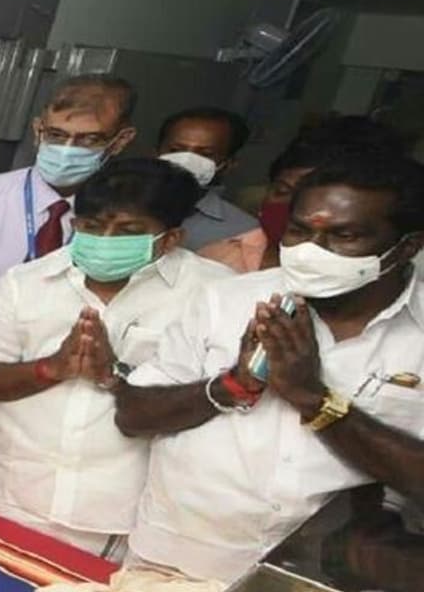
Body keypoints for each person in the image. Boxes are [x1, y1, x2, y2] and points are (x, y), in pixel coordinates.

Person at [114, 153, 424, 584]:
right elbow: (132, 415)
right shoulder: (226, 300)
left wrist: (313, 399)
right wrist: (231, 385)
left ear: (407, 247)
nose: (311, 251)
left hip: (314, 576)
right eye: (299, 231)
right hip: (175, 561)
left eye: (343, 235)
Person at [0, 159, 233, 560]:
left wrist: (114, 374)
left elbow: (215, 402)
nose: (105, 240)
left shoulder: (213, 295)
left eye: (128, 231)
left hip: (123, 520)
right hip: (7, 497)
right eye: (91, 226)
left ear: (171, 238)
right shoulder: (25, 284)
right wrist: (52, 368)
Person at [0, 73, 138, 494]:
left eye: (89, 140)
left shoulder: (128, 219)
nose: (68, 150)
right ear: (38, 129)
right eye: (57, 135)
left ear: (120, 141)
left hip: (72, 395)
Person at [202, 119, 404, 274]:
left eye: (306, 198)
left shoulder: (360, 280)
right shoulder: (218, 256)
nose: (291, 206)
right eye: (282, 191)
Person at [155, 107, 258, 251]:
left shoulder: (244, 230)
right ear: (156, 152)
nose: (187, 159)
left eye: (205, 154)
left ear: (228, 164)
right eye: (175, 150)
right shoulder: (122, 201)